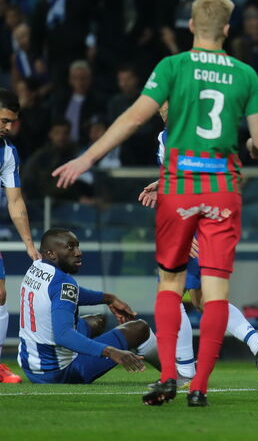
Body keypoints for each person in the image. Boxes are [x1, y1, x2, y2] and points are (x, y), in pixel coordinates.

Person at [52, 0, 258, 407]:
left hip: (182, 190)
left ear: (190, 25)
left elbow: (133, 116)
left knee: (170, 286)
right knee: (215, 292)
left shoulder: (174, 67)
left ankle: (171, 375)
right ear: (227, 30)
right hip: (223, 189)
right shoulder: (244, 74)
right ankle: (200, 386)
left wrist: (87, 157)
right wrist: (248, 149)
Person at [138, 102, 258, 389]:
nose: (164, 107)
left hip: (196, 223)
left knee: (170, 292)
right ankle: (257, 345)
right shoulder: (167, 136)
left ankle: (185, 371)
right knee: (202, 299)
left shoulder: (189, 135)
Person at [18, 228, 153, 384]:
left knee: (97, 321)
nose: (78, 252)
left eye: (77, 246)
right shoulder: (63, 283)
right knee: (139, 328)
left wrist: (108, 298)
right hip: (59, 373)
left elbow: (65, 295)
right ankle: (175, 376)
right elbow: (63, 335)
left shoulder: (36, 267)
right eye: (70, 247)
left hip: (30, 366)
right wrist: (110, 351)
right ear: (51, 253)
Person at [0, 89, 39, 384]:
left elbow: (15, 201)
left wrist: (28, 244)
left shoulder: (7, 152)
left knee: (0, 295)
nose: (8, 127)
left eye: (11, 122)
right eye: (3, 120)